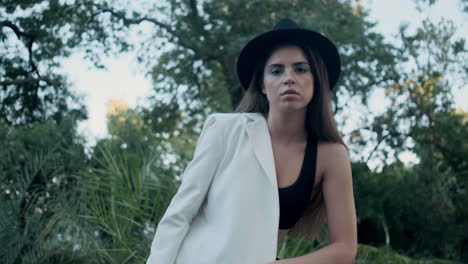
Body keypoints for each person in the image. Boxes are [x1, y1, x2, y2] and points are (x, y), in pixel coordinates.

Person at [147, 18, 357, 264]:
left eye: (301, 69)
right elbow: (178, 215)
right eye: (276, 70)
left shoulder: (330, 156)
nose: (289, 78)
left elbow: (345, 248)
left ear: (317, 80)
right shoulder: (224, 130)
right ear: (263, 85)